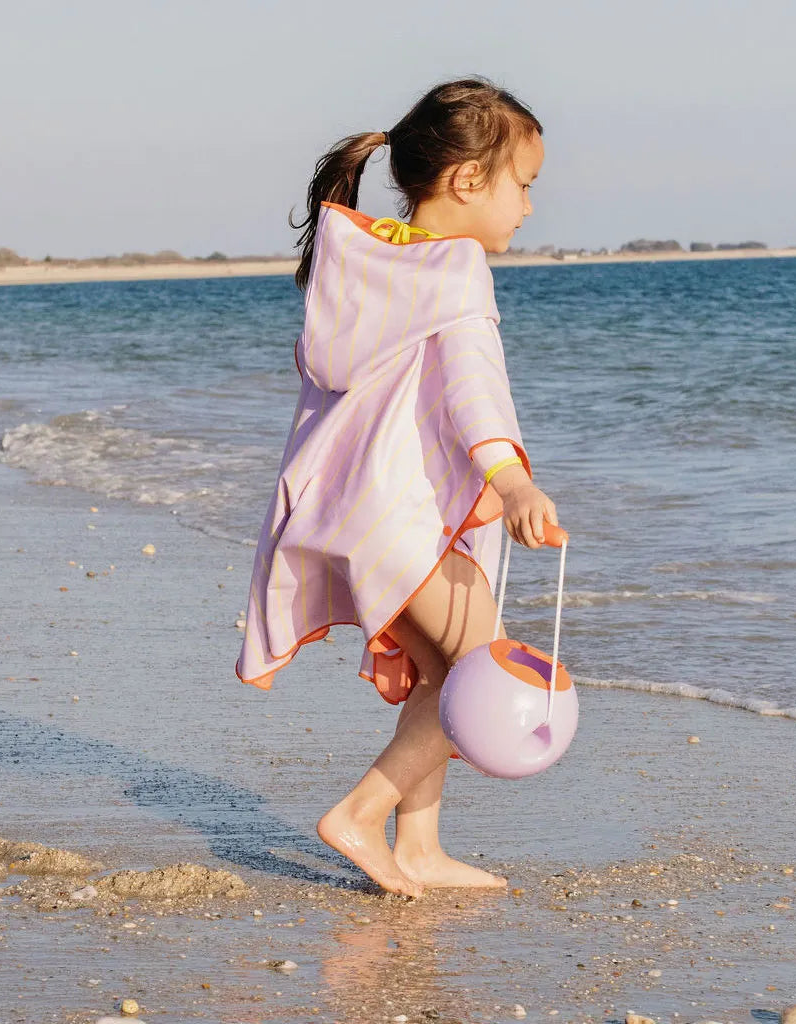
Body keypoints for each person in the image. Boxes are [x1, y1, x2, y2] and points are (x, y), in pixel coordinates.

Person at [236, 77, 557, 898]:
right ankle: (360, 813)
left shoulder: (365, 259)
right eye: (523, 184)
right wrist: (512, 482)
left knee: (444, 673)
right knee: (482, 666)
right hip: (401, 516)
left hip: (347, 510)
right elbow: (472, 388)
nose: (526, 206)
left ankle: (419, 847)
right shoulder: (456, 269)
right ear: (468, 180)